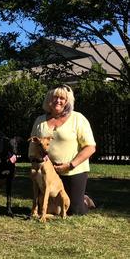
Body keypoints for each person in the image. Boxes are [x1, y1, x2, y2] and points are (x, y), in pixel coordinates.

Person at [30, 85, 96, 215]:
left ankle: (85, 200)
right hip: (47, 172)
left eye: (62, 98)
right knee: (51, 210)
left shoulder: (78, 118)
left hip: (72, 171)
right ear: (49, 99)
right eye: (55, 97)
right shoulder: (40, 121)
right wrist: (35, 165)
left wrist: (70, 165)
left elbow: (90, 147)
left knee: (74, 210)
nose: (58, 101)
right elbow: (32, 147)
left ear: (68, 102)